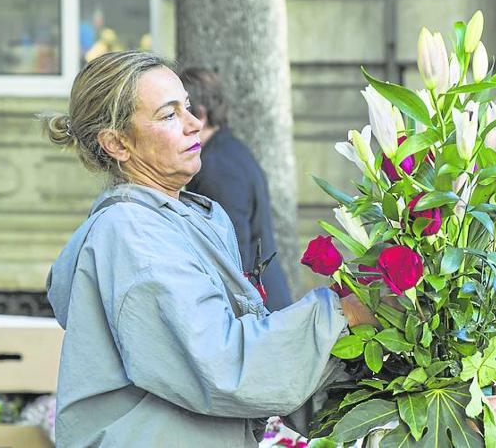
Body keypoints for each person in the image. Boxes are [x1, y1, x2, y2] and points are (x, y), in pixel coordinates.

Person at [41, 50, 374, 447]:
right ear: (117, 143)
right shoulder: (133, 233)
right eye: (169, 115)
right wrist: (339, 314)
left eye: (187, 106)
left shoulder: (177, 217)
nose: (195, 123)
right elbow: (219, 364)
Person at [180, 67, 292, 311]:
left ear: (200, 115)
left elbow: (231, 257)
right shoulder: (230, 151)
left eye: (179, 113)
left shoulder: (218, 167)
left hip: (256, 311)